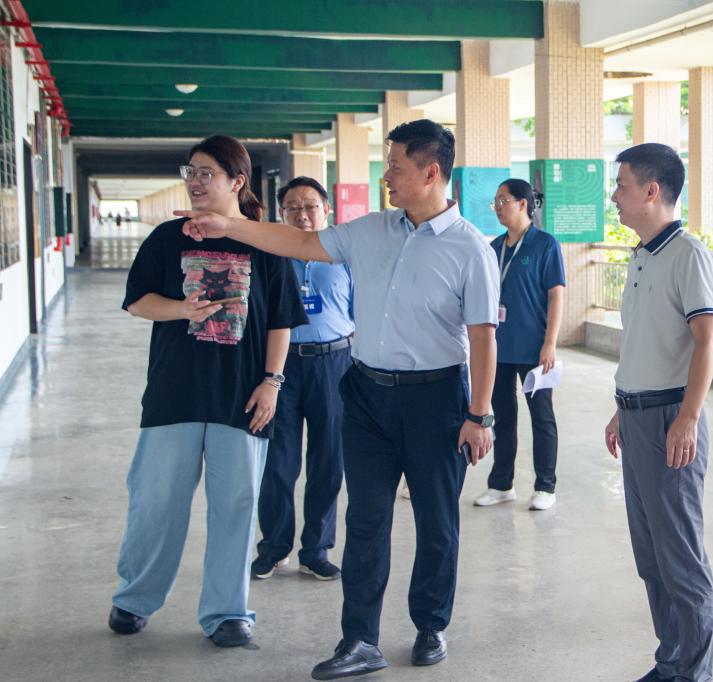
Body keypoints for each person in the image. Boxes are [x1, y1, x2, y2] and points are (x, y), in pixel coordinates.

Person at [175, 119, 499, 679]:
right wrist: (229, 224)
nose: (387, 176)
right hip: (366, 392)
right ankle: (359, 639)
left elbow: (483, 336)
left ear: (430, 172)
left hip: (437, 400)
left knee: (436, 520)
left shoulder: (470, 248)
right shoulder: (371, 230)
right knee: (365, 520)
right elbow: (300, 243)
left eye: (395, 165)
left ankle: (430, 624)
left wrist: (480, 415)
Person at [108, 135, 308, 648]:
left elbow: (281, 320)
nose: (195, 182)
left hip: (240, 395)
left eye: (206, 173)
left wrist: (272, 382)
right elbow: (137, 301)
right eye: (190, 172)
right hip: (174, 391)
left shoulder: (265, 241)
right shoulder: (167, 237)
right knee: (154, 500)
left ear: (236, 181)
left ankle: (227, 611)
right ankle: (134, 597)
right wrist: (181, 309)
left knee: (236, 505)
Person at [602, 143, 713, 682]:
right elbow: (644, 344)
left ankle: (694, 671)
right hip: (637, 416)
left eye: (621, 186)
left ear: (651, 191)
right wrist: (621, 408)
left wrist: (689, 418)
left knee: (680, 558)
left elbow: (707, 340)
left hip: (671, 418)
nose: (615, 196)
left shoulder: (687, 254)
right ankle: (671, 659)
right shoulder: (642, 254)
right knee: (651, 556)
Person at [251, 177, 354, 582]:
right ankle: (274, 548)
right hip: (282, 367)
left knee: (329, 460)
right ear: (282, 214)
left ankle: (316, 549)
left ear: (326, 210)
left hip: (335, 364)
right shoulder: (272, 255)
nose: (302, 214)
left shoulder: (345, 256)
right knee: (278, 461)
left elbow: (361, 313)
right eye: (293, 207)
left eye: (310, 206)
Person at [473, 179, 565, 511]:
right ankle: (501, 484)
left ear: (523, 203)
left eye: (503, 201)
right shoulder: (494, 247)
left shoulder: (545, 244)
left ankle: (545, 486)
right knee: (502, 417)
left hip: (534, 349)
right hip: (499, 348)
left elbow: (556, 296)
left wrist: (550, 343)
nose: (497, 208)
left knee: (541, 417)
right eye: (495, 202)